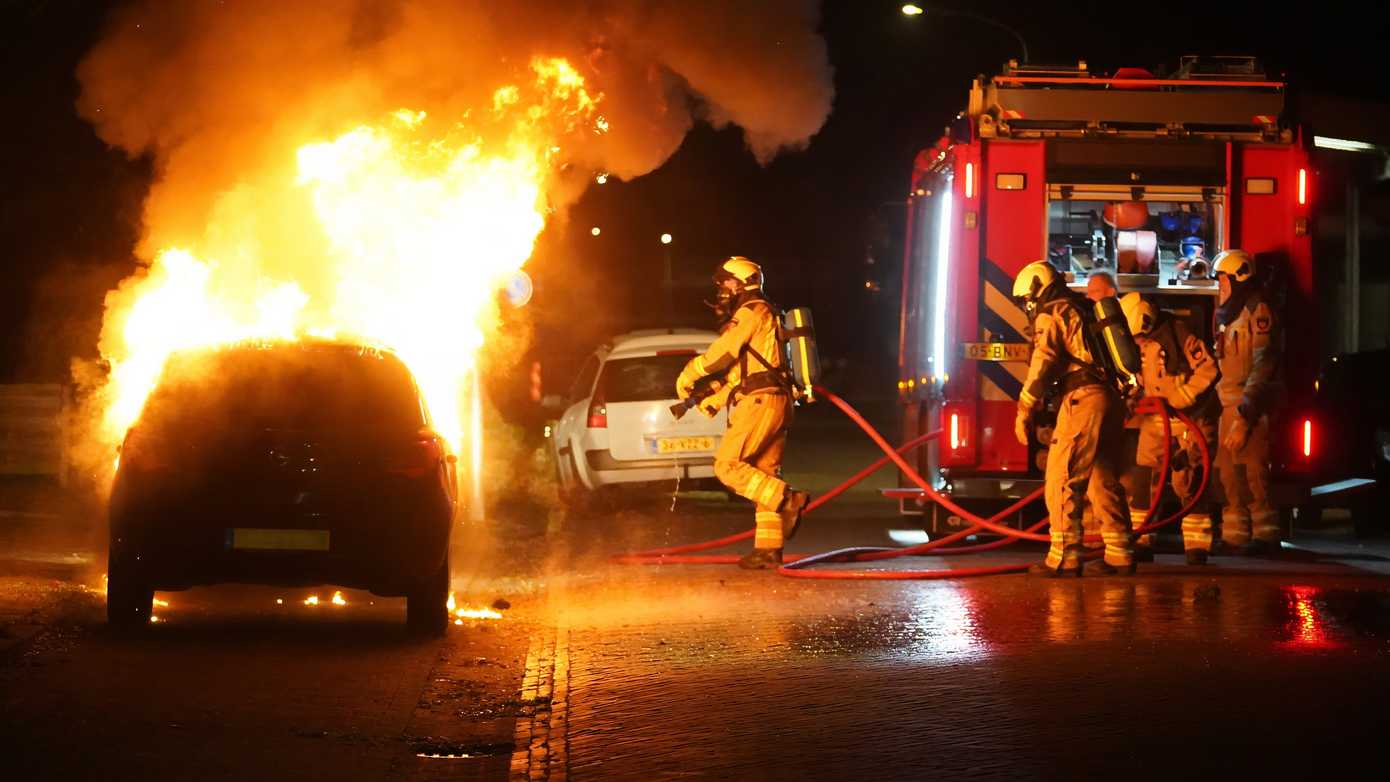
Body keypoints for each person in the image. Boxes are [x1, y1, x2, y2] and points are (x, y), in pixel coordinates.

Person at [676, 256, 810, 569]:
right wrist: (707, 400)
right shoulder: (768, 313)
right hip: (773, 400)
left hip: (761, 402)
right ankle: (768, 549)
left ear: (742, 282)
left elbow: (722, 353)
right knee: (763, 474)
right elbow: (741, 374)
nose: (723, 289)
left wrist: (689, 373)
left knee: (727, 466)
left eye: (726, 282)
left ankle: (789, 500)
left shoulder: (751, 312)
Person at [1013, 261, 1134, 576]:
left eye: (1027, 299)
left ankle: (1064, 557)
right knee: (1101, 475)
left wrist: (1025, 407)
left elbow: (1044, 360)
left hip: (1083, 399)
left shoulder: (1052, 313)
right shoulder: (1082, 307)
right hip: (1109, 398)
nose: (1028, 306)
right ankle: (1120, 553)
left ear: (1037, 288)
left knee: (1062, 477)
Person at [1119, 292, 1220, 565]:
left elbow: (1209, 369)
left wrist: (1185, 395)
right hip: (1157, 420)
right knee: (1143, 478)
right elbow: (1142, 378)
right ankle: (1142, 539)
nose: (1136, 342)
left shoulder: (1180, 335)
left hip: (1191, 419)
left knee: (1188, 479)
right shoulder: (1143, 342)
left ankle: (1197, 546)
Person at [1211, 249, 1283, 555]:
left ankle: (1265, 536)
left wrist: (1244, 415)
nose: (1220, 287)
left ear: (1238, 278)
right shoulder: (1229, 314)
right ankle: (1235, 536)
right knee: (1228, 474)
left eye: (1223, 280)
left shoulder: (1258, 311)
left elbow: (1262, 365)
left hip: (1248, 408)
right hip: (1228, 405)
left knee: (1253, 472)